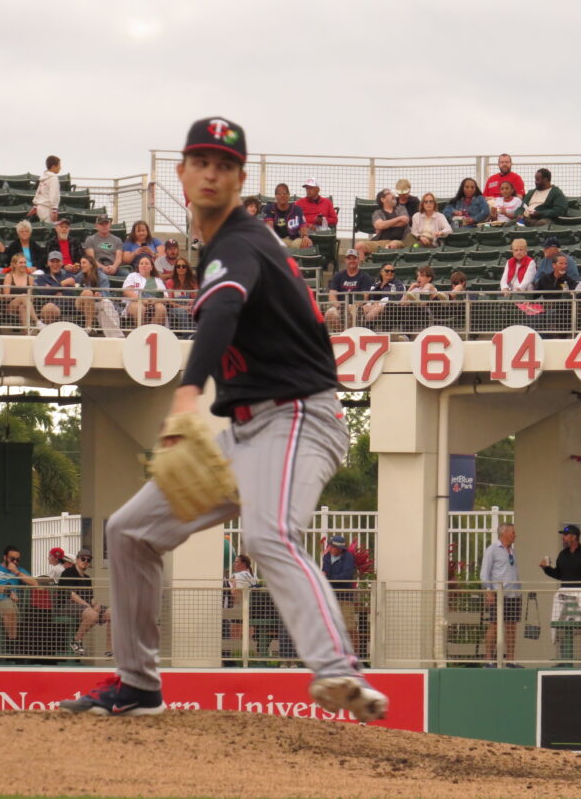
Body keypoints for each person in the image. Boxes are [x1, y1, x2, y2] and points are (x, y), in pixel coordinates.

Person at [58, 116, 387, 721]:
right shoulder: (225, 245)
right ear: (182, 174)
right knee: (128, 534)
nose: (212, 173)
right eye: (202, 162)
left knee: (267, 536)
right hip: (246, 432)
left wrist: (187, 397)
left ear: (239, 180)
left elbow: (221, 316)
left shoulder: (239, 242)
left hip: (299, 419)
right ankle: (137, 687)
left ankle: (338, 671)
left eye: (226, 165)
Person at [540, 524, 581, 661]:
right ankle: (564, 660)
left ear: (574, 537)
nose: (563, 539)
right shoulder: (562, 555)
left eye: (565, 536)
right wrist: (546, 568)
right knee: (564, 628)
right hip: (566, 599)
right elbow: (559, 574)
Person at [480, 522, 520, 667]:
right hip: (498, 593)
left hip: (513, 594)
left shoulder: (511, 551)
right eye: (513, 532)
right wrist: (489, 592)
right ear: (504, 533)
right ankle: (489, 659)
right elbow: (484, 573)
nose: (515, 535)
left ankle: (510, 659)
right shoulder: (493, 549)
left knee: (511, 626)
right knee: (495, 625)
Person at [59, 548, 111, 657]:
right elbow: (71, 594)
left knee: (111, 613)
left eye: (88, 560)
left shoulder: (87, 578)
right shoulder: (68, 572)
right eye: (83, 559)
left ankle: (109, 649)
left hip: (84, 607)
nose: (86, 562)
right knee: (92, 615)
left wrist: (95, 605)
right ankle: (76, 640)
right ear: (77, 560)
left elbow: (90, 597)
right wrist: (89, 606)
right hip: (66, 605)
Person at [324, 247, 374, 332]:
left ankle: (347, 335)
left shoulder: (365, 277)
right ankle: (343, 335)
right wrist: (340, 307)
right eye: (349, 258)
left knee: (352, 314)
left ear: (358, 260)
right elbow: (332, 296)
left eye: (354, 258)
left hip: (357, 307)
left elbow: (365, 297)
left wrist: (352, 307)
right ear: (345, 260)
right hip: (341, 306)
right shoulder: (338, 276)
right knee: (329, 314)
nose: (352, 261)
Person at [321, 535, 358, 649]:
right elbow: (324, 574)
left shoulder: (348, 557)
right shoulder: (326, 557)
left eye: (335, 547)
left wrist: (330, 578)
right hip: (330, 598)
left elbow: (346, 576)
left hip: (345, 598)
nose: (332, 549)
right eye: (331, 546)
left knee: (349, 627)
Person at [355, 188, 408, 257]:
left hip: (399, 241)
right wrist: (399, 218)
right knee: (359, 246)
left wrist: (384, 225)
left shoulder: (400, 209)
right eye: (389, 193)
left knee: (391, 246)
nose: (393, 194)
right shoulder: (377, 213)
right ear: (382, 199)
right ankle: (363, 267)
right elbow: (379, 225)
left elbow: (405, 221)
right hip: (381, 241)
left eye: (392, 192)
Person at [74, 254, 118, 334]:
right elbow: (74, 281)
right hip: (80, 303)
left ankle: (89, 327)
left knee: (88, 293)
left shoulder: (102, 277)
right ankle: (89, 328)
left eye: (84, 263)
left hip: (96, 304)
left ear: (91, 265)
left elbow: (106, 294)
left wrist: (100, 295)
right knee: (88, 293)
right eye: (81, 263)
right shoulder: (80, 275)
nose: (81, 265)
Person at [122, 254, 167, 326]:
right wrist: (142, 300)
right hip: (136, 302)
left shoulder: (158, 280)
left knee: (161, 308)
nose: (144, 265)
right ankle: (141, 332)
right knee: (140, 308)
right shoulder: (132, 276)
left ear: (151, 267)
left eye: (146, 263)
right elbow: (127, 291)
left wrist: (155, 301)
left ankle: (152, 331)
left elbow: (165, 297)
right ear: (138, 266)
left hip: (154, 302)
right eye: (141, 263)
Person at [261, 183, 311, 249]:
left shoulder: (297, 209)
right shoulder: (269, 208)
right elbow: (270, 227)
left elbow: (303, 226)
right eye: (279, 193)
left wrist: (305, 236)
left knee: (305, 243)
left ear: (289, 195)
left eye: (285, 193)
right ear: (275, 196)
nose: (282, 195)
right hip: (279, 240)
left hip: (295, 239)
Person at [34, 250, 77, 324]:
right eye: (52, 261)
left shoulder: (69, 276)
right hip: (47, 308)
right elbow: (44, 292)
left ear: (62, 263)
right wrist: (63, 284)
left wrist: (52, 289)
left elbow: (69, 293)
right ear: (48, 263)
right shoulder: (42, 278)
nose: (55, 264)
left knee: (50, 307)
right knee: (49, 307)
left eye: (57, 261)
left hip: (67, 308)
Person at [361, 262, 407, 330]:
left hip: (390, 309)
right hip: (373, 306)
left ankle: (367, 332)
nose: (390, 273)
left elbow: (397, 299)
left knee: (376, 309)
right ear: (381, 272)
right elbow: (369, 298)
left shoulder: (398, 284)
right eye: (387, 271)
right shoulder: (375, 285)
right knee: (360, 309)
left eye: (392, 271)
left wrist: (379, 303)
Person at [2, 253, 39, 332]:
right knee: (23, 296)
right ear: (14, 264)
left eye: (25, 263)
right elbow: (6, 296)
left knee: (22, 308)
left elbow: (31, 296)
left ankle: (27, 334)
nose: (23, 265)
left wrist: (25, 299)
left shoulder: (30, 278)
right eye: (21, 263)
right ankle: (37, 321)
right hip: (11, 306)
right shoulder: (9, 276)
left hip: (25, 306)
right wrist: (20, 298)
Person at [165, 255, 199, 333]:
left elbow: (197, 298)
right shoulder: (170, 282)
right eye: (178, 266)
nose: (181, 268)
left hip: (191, 306)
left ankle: (196, 335)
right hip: (175, 308)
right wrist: (183, 307)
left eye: (183, 266)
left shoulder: (193, 282)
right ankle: (188, 335)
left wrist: (190, 306)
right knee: (182, 311)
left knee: (197, 310)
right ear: (175, 268)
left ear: (187, 268)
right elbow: (170, 301)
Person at [28, 155, 62, 224]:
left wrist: (35, 206)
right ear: (53, 167)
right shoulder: (53, 178)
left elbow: (38, 192)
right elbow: (54, 194)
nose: (60, 168)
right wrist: (54, 210)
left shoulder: (43, 177)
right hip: (47, 208)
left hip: (40, 208)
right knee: (49, 228)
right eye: (59, 165)